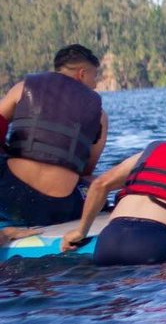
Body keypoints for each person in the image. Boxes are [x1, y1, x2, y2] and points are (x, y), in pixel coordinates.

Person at [0, 44, 109, 226]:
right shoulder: (100, 116)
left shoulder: (22, 88)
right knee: (96, 183)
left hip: (8, 195)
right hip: (56, 207)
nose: (95, 84)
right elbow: (86, 170)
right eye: (94, 76)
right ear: (81, 74)